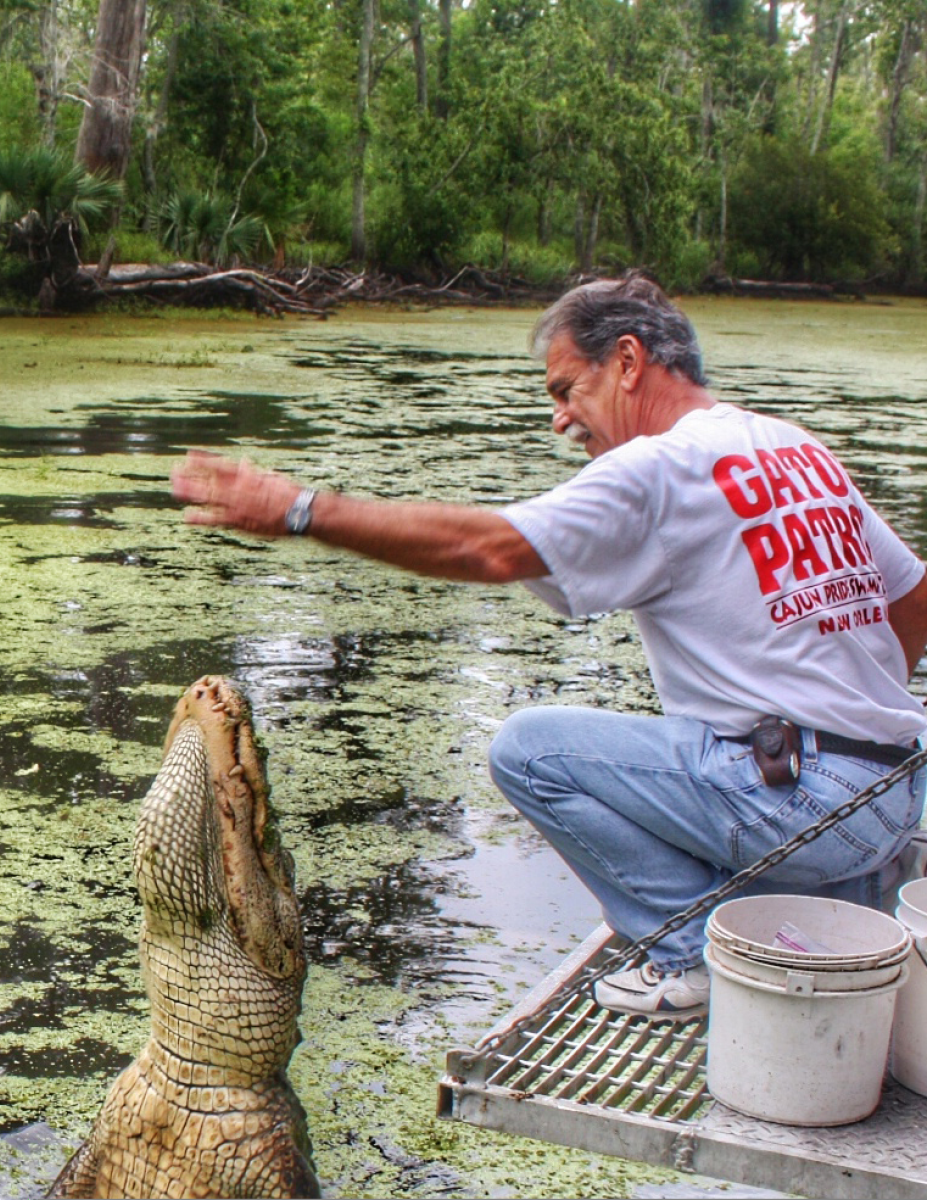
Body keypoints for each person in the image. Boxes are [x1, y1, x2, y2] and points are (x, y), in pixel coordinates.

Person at [171, 274, 927, 1018]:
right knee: (705, 744)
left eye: (567, 389)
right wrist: (849, 722)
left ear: (628, 363)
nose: (560, 419)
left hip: (804, 812)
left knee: (531, 749)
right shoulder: (791, 447)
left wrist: (302, 511)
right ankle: (804, 893)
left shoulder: (660, 467)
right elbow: (914, 593)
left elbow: (492, 550)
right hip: (893, 799)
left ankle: (691, 954)